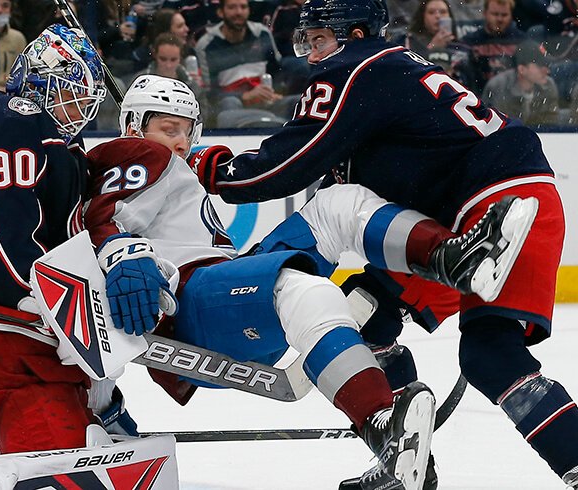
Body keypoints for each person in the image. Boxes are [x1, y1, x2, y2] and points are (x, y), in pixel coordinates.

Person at [187, 0, 578, 488]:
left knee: (424, 330)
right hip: (506, 201)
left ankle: (458, 265)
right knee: (415, 330)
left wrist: (211, 167)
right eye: (306, 43)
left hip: (489, 207)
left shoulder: (353, 69)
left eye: (318, 40)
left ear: (353, 35)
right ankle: (420, 463)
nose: (311, 55)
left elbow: (288, 164)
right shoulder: (392, 67)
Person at [86, 74, 536, 489]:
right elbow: (100, 225)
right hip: (189, 302)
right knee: (306, 288)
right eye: (168, 128)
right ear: (132, 125)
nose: (181, 142)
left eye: (188, 130)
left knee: (336, 206)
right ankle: (381, 422)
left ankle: (451, 257)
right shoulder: (137, 154)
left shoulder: (162, 161)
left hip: (222, 288)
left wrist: (107, 412)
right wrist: (102, 406)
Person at [0, 24, 140, 468]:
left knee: (88, 454)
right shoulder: (14, 118)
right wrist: (41, 295)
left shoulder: (56, 143)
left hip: (30, 345)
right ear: (43, 80)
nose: (82, 108)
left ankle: (98, 406)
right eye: (73, 93)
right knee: (61, 466)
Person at [194, 0, 296, 126]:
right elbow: (210, 93)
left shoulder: (262, 34)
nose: (239, 12)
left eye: (243, 7)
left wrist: (275, 92)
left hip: (267, 100)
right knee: (229, 102)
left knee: (298, 101)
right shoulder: (207, 45)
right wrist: (244, 96)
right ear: (220, 12)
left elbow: (277, 72)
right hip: (234, 104)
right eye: (232, 7)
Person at [482, 41, 560, 127]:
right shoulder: (498, 87)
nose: (547, 71)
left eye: (547, 65)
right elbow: (498, 128)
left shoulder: (548, 85)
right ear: (522, 69)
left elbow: (551, 124)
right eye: (540, 66)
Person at [462, 0, 527, 93]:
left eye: (504, 15)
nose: (499, 19)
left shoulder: (522, 41)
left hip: (514, 97)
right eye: (495, 14)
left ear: (511, 15)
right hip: (479, 96)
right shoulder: (470, 41)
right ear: (485, 13)